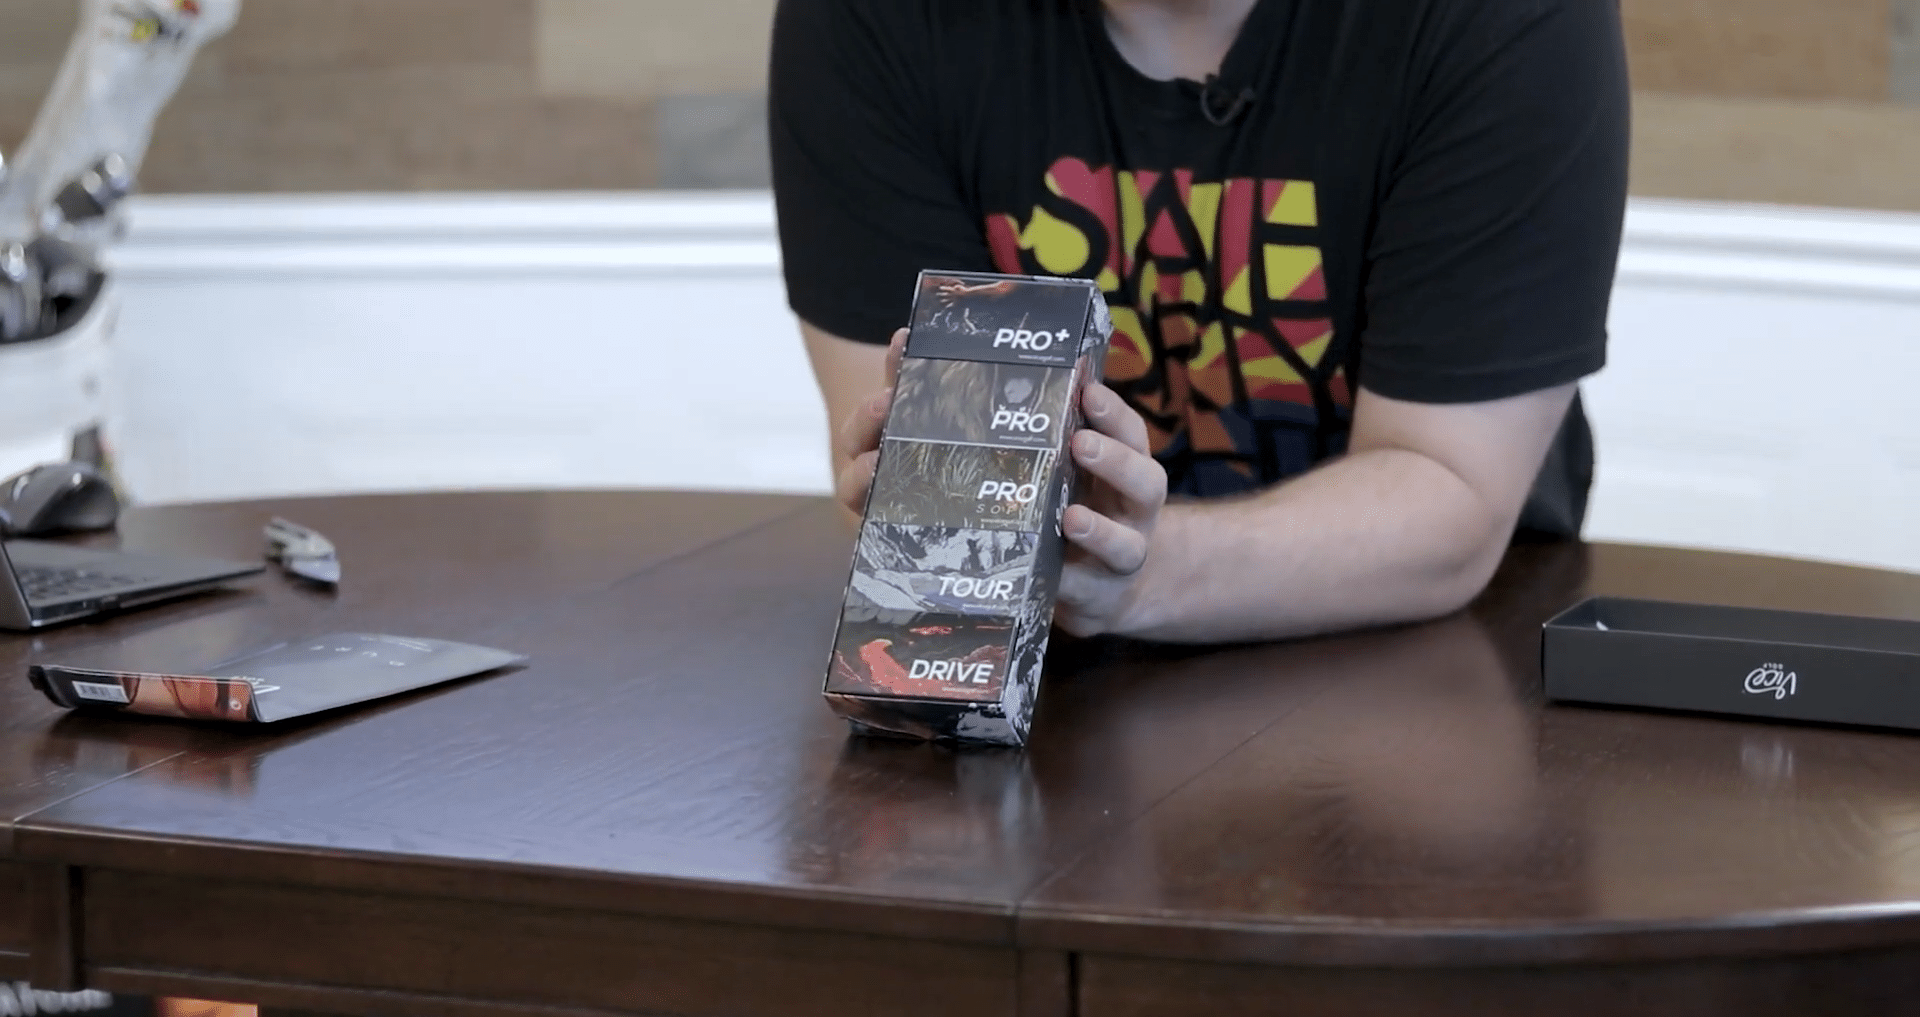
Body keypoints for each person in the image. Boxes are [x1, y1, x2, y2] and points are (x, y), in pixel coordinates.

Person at [769, 0, 1630, 644]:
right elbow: (911, 497)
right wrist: (1005, 546)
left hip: (1421, 666)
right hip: (1047, 691)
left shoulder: (1504, 20)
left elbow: (1449, 498)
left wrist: (1135, 576)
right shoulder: (870, 19)